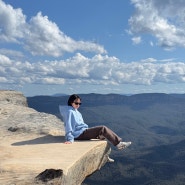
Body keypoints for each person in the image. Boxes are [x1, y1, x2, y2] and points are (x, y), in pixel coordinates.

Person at [59, 94, 131, 150]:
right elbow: (68, 125)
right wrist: (70, 139)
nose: (78, 105)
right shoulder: (70, 112)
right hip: (78, 134)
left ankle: (100, 136)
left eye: (79, 103)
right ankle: (118, 144)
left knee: (102, 133)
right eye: (76, 103)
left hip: (82, 131)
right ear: (71, 102)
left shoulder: (75, 111)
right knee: (102, 128)